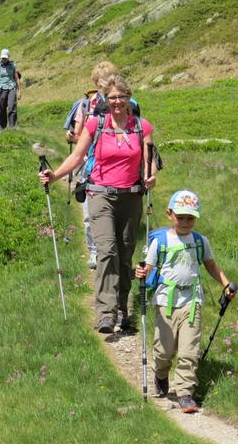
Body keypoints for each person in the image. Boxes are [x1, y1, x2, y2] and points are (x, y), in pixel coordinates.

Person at [40, 74, 156, 334]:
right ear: (106, 99)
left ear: (129, 98)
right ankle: (105, 312)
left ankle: (123, 308)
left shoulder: (141, 126)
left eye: (121, 97)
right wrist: (55, 175)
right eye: (112, 97)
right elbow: (79, 156)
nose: (117, 102)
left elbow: (149, 160)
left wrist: (151, 177)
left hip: (132, 195)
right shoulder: (95, 124)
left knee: (126, 255)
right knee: (107, 251)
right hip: (100, 193)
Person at [134, 189, 236, 413]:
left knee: (189, 351)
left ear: (196, 217)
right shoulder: (160, 241)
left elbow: (210, 265)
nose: (185, 222)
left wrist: (226, 284)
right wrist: (140, 272)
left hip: (192, 301)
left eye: (190, 218)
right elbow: (148, 267)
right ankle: (161, 374)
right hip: (166, 301)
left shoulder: (200, 241)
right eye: (180, 217)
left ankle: (185, 393)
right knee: (164, 351)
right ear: (170, 214)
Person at [65, 61, 121, 270]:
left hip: (117, 167)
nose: (103, 86)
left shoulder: (125, 103)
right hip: (91, 165)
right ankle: (94, 251)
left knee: (114, 213)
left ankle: (109, 250)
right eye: (99, 82)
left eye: (106, 81)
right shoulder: (87, 105)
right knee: (90, 213)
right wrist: (74, 136)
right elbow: (80, 134)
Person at [0, 49, 21, 131]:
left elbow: (17, 78)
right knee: (2, 108)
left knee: (12, 107)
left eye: (5, 58)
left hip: (11, 87)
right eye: (2, 58)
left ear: (8, 57)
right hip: (1, 88)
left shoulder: (13, 66)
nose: (4, 59)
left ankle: (12, 127)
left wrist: (19, 91)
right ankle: (1, 127)